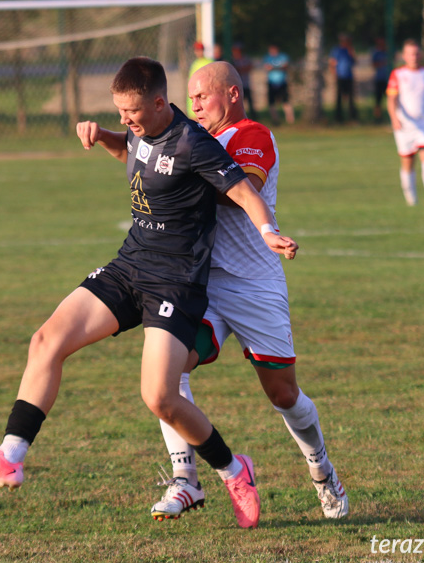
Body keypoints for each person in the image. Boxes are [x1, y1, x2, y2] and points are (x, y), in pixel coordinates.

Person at [0, 57, 299, 530]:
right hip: (130, 265)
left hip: (177, 281)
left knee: (160, 397)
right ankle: (10, 456)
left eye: (131, 112)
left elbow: (242, 191)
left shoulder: (195, 142)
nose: (125, 119)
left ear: (157, 102)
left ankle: (234, 471)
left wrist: (269, 230)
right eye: (119, 111)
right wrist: (102, 135)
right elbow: (131, 149)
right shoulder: (139, 130)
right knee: (46, 340)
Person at [149, 61, 349, 523]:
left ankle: (321, 470)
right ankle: (186, 480)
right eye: (191, 97)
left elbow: (242, 187)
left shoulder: (251, 134)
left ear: (232, 95)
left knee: (282, 395)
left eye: (204, 95)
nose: (195, 104)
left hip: (255, 286)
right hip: (204, 287)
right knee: (165, 373)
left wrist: (179, 176)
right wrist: (109, 137)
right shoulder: (190, 138)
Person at [387, 40, 424, 207]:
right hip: (405, 126)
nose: (414, 56)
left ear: (421, 55)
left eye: (417, 53)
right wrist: (394, 118)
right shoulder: (398, 74)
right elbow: (392, 99)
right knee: (408, 162)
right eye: (410, 53)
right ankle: (411, 200)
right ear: (404, 56)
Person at [263, 44, 294, 125]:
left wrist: (273, 68)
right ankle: (275, 121)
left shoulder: (283, 56)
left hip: (282, 82)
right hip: (271, 82)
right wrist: (278, 67)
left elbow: (285, 66)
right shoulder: (268, 58)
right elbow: (267, 67)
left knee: (286, 101)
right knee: (272, 103)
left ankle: (290, 121)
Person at [329, 34, 358, 122]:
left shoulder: (349, 50)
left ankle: (352, 117)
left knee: (351, 99)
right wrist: (334, 74)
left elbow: (354, 62)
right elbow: (332, 63)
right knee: (339, 98)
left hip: (349, 76)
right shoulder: (337, 50)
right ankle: (338, 118)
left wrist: (351, 51)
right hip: (340, 77)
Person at [231, 42, 258, 120]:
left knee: (250, 102)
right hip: (237, 86)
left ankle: (253, 117)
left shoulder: (245, 58)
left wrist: (240, 69)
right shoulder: (232, 59)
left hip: (245, 84)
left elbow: (249, 67)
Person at [187, 42, 214, 115]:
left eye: (200, 50)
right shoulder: (194, 64)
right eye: (196, 50)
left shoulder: (209, 62)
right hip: (195, 99)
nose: (198, 52)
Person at [371, 37, 390, 121]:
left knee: (391, 99)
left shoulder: (388, 52)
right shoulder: (376, 52)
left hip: (389, 80)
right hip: (379, 79)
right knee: (378, 100)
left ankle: (391, 117)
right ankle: (378, 118)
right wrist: (383, 63)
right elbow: (374, 64)